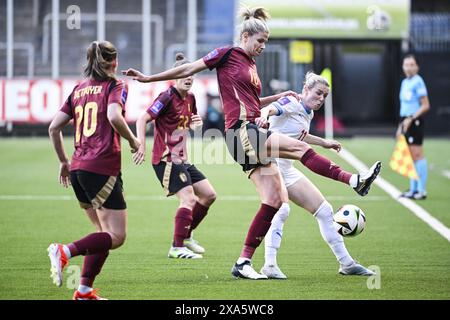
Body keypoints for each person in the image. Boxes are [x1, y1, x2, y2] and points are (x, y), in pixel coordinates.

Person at [122, 7, 380, 280]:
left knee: (275, 200)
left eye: (266, 42)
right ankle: (354, 181)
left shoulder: (251, 67)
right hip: (240, 131)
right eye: (260, 41)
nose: (263, 46)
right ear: (245, 36)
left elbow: (253, 104)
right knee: (300, 148)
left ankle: (243, 262)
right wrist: (148, 78)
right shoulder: (228, 54)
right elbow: (189, 67)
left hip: (249, 131)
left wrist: (277, 95)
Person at [259, 72, 379, 279]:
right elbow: (271, 108)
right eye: (318, 93)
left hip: (286, 168)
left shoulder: (308, 112)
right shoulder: (292, 101)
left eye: (324, 95)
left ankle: (347, 263)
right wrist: (264, 115)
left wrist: (324, 142)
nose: (321, 98)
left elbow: (299, 135)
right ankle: (269, 265)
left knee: (324, 211)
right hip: (270, 165)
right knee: (281, 209)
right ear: (305, 90)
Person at [47, 40, 140, 299]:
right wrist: (134, 141)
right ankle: (64, 251)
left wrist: (64, 162)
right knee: (117, 236)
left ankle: (84, 290)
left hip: (77, 168)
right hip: (101, 167)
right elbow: (113, 116)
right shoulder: (116, 85)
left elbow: (54, 128)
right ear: (114, 61)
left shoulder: (78, 89)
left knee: (103, 234)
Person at [133, 53, 217, 259]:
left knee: (208, 195)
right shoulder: (166, 97)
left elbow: (190, 123)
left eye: (192, 75)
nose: (189, 78)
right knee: (188, 198)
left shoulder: (190, 98)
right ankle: (177, 246)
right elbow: (143, 119)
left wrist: (196, 123)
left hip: (182, 159)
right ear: (175, 77)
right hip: (165, 159)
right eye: (185, 75)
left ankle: (186, 236)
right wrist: (141, 144)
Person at [397, 54, 430, 200]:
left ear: (417, 67)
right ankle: (413, 189)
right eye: (406, 65)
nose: (409, 68)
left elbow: (425, 105)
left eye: (412, 65)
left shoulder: (418, 81)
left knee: (417, 154)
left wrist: (411, 118)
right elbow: (404, 106)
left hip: (415, 121)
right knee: (409, 156)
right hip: (405, 120)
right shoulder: (405, 82)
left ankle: (421, 190)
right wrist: (401, 125)